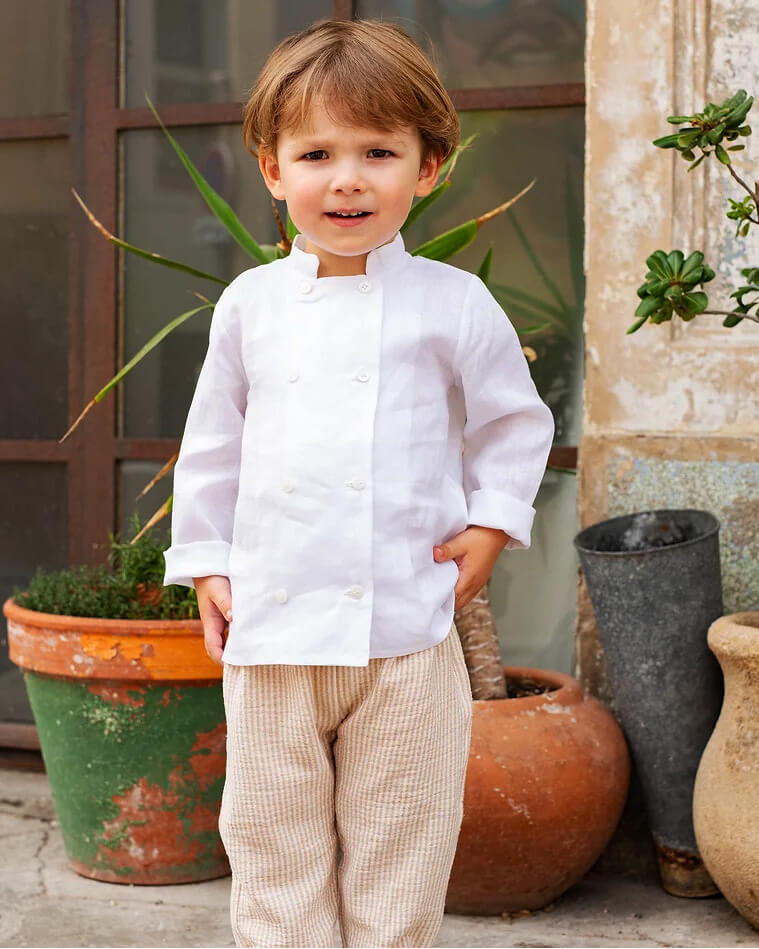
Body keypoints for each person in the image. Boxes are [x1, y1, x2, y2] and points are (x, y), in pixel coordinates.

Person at [163, 16, 554, 949]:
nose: (346, 178)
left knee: (401, 842)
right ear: (271, 170)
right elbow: (213, 445)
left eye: (378, 151)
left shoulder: (452, 303)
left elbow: (514, 421)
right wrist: (208, 562)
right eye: (316, 153)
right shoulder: (249, 307)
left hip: (407, 638)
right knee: (270, 837)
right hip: (273, 633)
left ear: (427, 168)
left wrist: (491, 526)